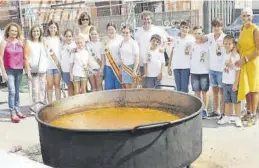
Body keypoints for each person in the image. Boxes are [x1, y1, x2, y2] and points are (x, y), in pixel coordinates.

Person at [235, 8, 259, 126]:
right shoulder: (242, 28)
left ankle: (254, 115)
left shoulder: (255, 30)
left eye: (248, 15)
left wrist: (245, 60)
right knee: (247, 89)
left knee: (254, 89)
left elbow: (258, 50)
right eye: (244, 16)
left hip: (252, 62)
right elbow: (239, 46)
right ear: (241, 17)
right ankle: (248, 112)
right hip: (243, 62)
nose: (246, 18)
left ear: (252, 16)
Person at [0, 22, 27, 123]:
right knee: (12, 91)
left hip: (19, 69)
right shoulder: (4, 42)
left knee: (17, 91)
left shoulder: (20, 42)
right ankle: (12, 112)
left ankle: (17, 109)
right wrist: (3, 72)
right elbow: (0, 58)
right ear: (8, 31)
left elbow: (25, 56)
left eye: (16, 31)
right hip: (9, 70)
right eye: (12, 30)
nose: (14, 32)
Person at [135, 10, 167, 87]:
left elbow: (165, 41)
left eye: (148, 19)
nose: (146, 21)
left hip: (156, 66)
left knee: (157, 87)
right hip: (143, 64)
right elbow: (136, 49)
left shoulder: (158, 30)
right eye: (144, 19)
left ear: (151, 20)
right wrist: (137, 65)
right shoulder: (138, 32)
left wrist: (163, 48)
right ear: (142, 20)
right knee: (145, 87)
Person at [217, 35, 242, 127]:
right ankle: (227, 117)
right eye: (225, 44)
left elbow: (238, 70)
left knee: (236, 101)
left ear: (233, 45)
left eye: (229, 44)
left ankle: (238, 118)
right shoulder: (224, 54)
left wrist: (236, 83)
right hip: (225, 82)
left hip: (233, 83)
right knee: (227, 101)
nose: (227, 45)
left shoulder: (236, 56)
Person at [25, 25, 48, 111]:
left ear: (40, 32)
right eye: (34, 31)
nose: (36, 33)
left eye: (37, 31)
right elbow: (26, 57)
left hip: (42, 68)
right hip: (33, 68)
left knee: (42, 88)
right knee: (35, 89)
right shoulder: (28, 42)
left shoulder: (42, 42)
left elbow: (46, 55)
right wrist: (28, 71)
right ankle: (35, 108)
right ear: (31, 32)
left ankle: (42, 107)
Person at [206, 18, 226, 117]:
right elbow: (199, 38)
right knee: (214, 91)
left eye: (218, 26)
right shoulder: (209, 36)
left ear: (222, 27)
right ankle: (216, 110)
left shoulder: (225, 38)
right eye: (214, 26)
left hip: (221, 69)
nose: (216, 28)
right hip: (212, 69)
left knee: (222, 92)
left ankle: (223, 112)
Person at [168, 21, 195, 93]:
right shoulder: (176, 39)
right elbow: (172, 52)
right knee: (178, 89)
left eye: (186, 27)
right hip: (176, 67)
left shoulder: (191, 39)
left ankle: (185, 104)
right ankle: (180, 103)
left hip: (186, 67)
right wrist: (169, 65)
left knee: (184, 89)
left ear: (189, 29)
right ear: (180, 28)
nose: (184, 29)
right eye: (182, 27)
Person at [190, 26, 210, 118]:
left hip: (204, 72)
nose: (197, 35)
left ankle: (205, 110)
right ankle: (199, 109)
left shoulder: (207, 44)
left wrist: (206, 38)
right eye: (195, 33)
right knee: (197, 92)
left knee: (204, 92)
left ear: (203, 34)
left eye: (199, 33)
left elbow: (213, 38)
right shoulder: (191, 44)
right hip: (194, 72)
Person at [44, 20, 62, 103]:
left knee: (57, 85)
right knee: (49, 86)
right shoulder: (45, 39)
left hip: (57, 66)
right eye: (51, 27)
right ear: (48, 28)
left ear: (57, 28)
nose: (53, 29)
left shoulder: (60, 39)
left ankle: (58, 102)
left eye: (54, 27)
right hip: (48, 66)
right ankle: (50, 103)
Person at [102, 22, 123, 90]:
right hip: (108, 67)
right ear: (107, 31)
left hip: (118, 67)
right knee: (109, 87)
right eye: (109, 29)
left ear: (115, 30)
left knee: (118, 86)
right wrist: (103, 67)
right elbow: (103, 55)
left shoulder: (121, 39)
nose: (111, 31)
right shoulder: (105, 40)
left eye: (112, 29)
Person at [86, 27, 104, 91]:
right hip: (90, 69)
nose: (94, 35)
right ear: (90, 35)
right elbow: (85, 58)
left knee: (99, 86)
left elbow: (102, 57)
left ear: (98, 34)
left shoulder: (101, 44)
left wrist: (101, 68)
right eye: (92, 34)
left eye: (95, 34)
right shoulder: (87, 45)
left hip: (98, 68)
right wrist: (89, 69)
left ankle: (101, 101)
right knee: (93, 87)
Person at [60, 29, 76, 96]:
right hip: (65, 70)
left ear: (72, 37)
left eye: (70, 36)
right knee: (69, 87)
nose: (68, 38)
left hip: (76, 70)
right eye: (66, 36)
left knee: (77, 88)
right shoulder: (62, 46)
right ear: (64, 37)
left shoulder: (76, 45)